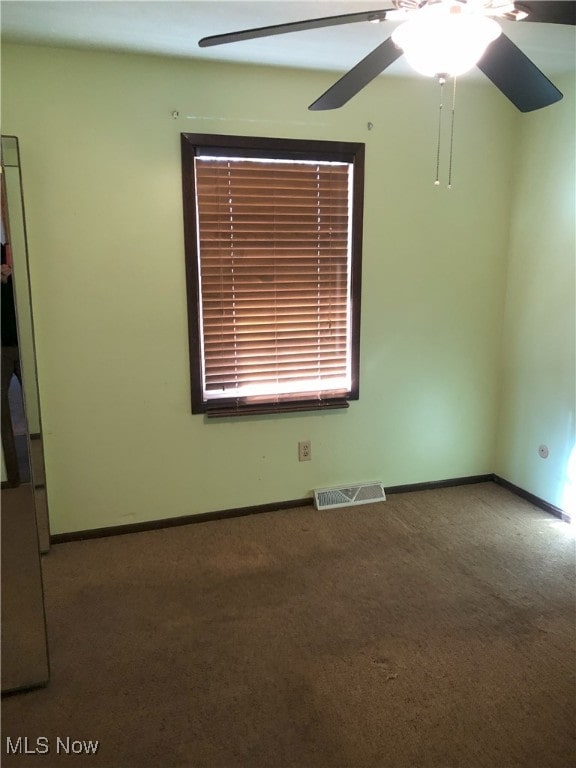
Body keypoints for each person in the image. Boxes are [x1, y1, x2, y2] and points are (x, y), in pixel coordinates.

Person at [1, 241, 22, 486]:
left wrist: (13, 277)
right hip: (0, 347)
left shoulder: (16, 248)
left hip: (27, 342)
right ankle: (11, 477)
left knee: (43, 408)